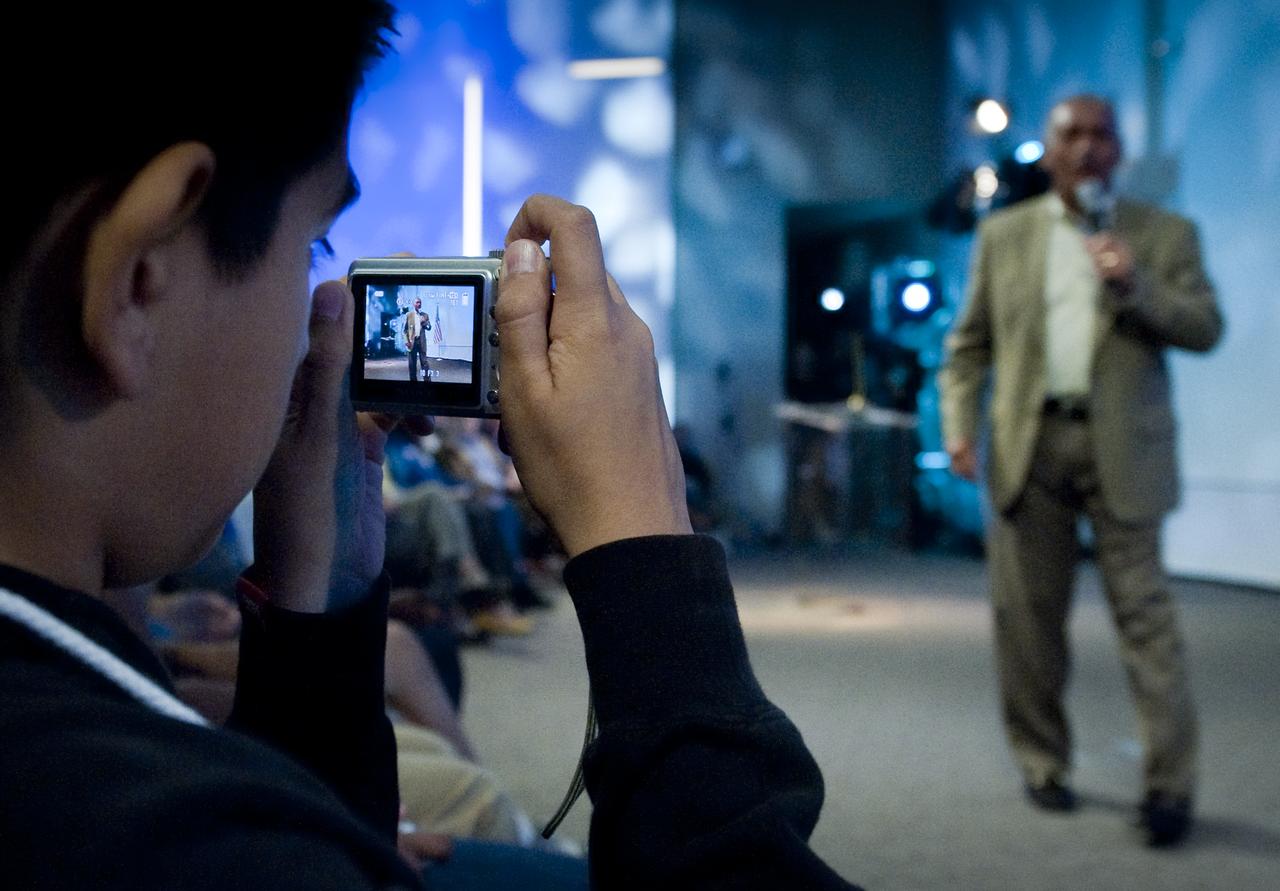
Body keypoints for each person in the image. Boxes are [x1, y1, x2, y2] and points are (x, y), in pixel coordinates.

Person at [0, 4, 859, 888]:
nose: (317, 307)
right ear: (141, 280)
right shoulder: (184, 843)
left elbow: (305, 832)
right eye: (312, 244)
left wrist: (315, 617)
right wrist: (645, 546)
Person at [939, 94, 1223, 847]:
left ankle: (1170, 788)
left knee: (1148, 624)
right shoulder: (1003, 235)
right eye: (1073, 134)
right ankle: (1042, 762)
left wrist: (1138, 286)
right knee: (1028, 625)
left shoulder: (1165, 234)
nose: (1089, 147)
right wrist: (959, 424)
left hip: (1126, 452)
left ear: (1119, 149)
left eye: (1102, 135)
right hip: (1030, 449)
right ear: (1051, 148)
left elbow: (1204, 326)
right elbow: (968, 346)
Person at [406, 296, 432, 382]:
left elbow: (429, 327)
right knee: (412, 364)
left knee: (424, 363)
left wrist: (424, 322)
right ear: (413, 304)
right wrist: (407, 341)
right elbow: (404, 330)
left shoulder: (425, 315)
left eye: (420, 302)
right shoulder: (409, 315)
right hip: (412, 342)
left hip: (421, 342)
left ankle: (427, 381)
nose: (419, 304)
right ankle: (413, 381)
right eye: (417, 302)